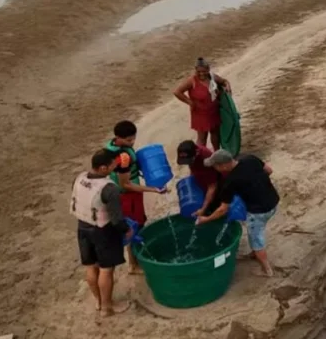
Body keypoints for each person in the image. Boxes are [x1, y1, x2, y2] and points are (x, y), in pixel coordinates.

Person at [196, 150, 280, 277]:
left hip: (259, 212)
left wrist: (206, 219)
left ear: (223, 166)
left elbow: (223, 209)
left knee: (256, 240)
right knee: (257, 232)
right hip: (273, 201)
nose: (214, 169)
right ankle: (254, 254)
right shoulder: (250, 158)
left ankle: (266, 270)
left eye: (215, 166)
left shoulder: (230, 182)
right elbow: (269, 170)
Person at [72, 149, 133, 316]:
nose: (115, 167)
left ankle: (98, 302)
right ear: (103, 168)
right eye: (113, 165)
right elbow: (116, 219)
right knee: (106, 269)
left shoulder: (79, 178)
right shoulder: (109, 188)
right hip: (103, 231)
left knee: (91, 266)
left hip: (83, 227)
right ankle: (107, 307)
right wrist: (127, 230)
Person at [105, 120, 166, 274]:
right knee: (133, 227)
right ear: (118, 137)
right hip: (127, 196)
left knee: (137, 224)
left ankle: (136, 259)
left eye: (133, 138)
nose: (132, 142)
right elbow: (126, 184)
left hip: (128, 194)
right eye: (128, 140)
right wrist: (153, 189)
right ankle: (133, 264)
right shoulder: (123, 157)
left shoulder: (111, 146)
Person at [173, 58, 232, 150]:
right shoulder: (192, 81)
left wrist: (228, 86)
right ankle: (201, 155)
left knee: (215, 134)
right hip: (200, 113)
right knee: (202, 138)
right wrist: (190, 102)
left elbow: (224, 81)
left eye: (204, 71)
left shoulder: (212, 77)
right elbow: (177, 92)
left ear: (208, 69)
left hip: (214, 111)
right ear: (195, 70)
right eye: (199, 71)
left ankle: (217, 152)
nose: (201, 74)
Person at [176, 140, 221, 217]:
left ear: (196, 153)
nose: (188, 163)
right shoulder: (192, 156)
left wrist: (203, 209)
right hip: (204, 181)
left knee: (214, 209)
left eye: (189, 161)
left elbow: (212, 187)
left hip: (217, 184)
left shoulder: (206, 159)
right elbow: (193, 169)